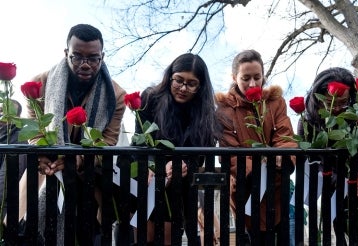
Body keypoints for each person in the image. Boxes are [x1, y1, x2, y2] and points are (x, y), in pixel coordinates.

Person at [19, 24, 126, 245]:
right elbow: (35, 128)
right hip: (47, 172)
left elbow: (108, 141)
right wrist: (43, 154)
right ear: (66, 53)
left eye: (93, 58)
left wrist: (78, 159)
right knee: (33, 233)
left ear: (102, 57)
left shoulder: (117, 95)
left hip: (90, 178)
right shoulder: (40, 84)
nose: (85, 64)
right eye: (77, 57)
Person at [128, 53, 220, 245]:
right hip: (147, 179)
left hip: (179, 185)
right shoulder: (150, 98)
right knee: (145, 236)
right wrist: (152, 167)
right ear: (170, 76)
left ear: (200, 86)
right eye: (178, 80)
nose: (183, 88)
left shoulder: (205, 113)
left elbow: (201, 156)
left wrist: (181, 164)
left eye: (191, 83)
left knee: (168, 237)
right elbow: (139, 141)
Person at [215, 49, 297, 245]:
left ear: (263, 76)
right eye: (246, 78)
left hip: (278, 189)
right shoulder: (224, 110)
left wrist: (282, 156)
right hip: (246, 191)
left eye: (257, 77)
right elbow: (229, 154)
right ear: (234, 77)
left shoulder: (275, 102)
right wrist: (260, 166)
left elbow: (285, 136)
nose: (253, 84)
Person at [296, 67, 358, 245]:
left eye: (343, 102)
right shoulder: (307, 121)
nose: (337, 108)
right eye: (331, 102)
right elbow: (306, 158)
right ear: (319, 97)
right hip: (323, 188)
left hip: (355, 190)